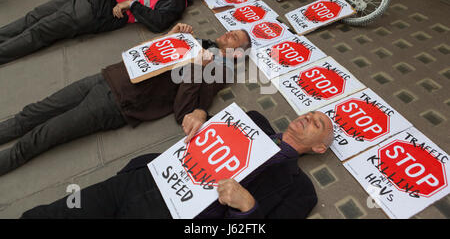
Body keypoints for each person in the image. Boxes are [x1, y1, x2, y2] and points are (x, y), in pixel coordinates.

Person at [0, 23, 251, 176]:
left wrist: (197, 67)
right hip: (108, 77)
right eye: (232, 31)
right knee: (34, 111)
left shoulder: (219, 71)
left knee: (46, 133)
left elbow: (184, 110)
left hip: (119, 102)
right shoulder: (201, 42)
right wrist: (170, 35)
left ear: (238, 55)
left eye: (236, 38)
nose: (230, 33)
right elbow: (148, 55)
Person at [21, 110, 334, 219]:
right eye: (310, 113)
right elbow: (199, 123)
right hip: (143, 181)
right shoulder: (252, 119)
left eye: (317, 123)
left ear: (319, 147)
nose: (308, 117)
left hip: (175, 216)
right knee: (52, 214)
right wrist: (198, 113)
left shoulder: (300, 190)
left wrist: (248, 207)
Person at [0, 0, 209, 65]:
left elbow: (159, 22)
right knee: (33, 16)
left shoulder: (177, 0)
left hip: (95, 11)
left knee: (40, 31)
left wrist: (132, 5)